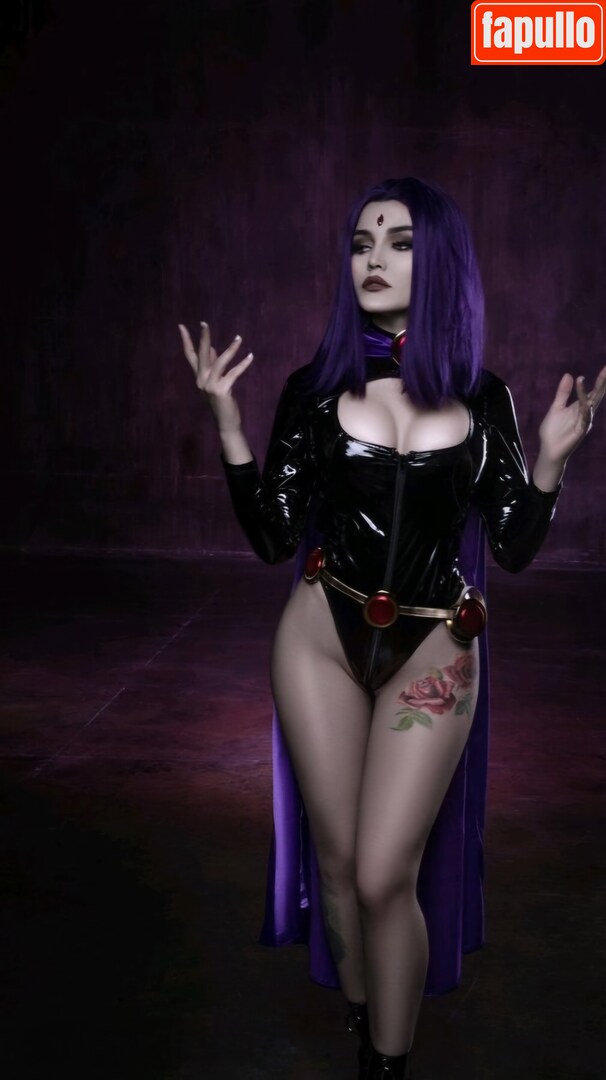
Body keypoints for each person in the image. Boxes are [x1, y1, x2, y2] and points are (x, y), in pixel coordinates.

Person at [178, 177, 605, 1080]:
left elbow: (515, 546)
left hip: (435, 644)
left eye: (400, 242)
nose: (373, 258)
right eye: (362, 242)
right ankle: (365, 1024)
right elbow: (273, 538)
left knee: (383, 875)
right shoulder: (312, 390)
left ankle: (389, 1066)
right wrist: (228, 426)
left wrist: (551, 463)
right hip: (319, 639)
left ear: (439, 259)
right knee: (338, 865)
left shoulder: (484, 399)